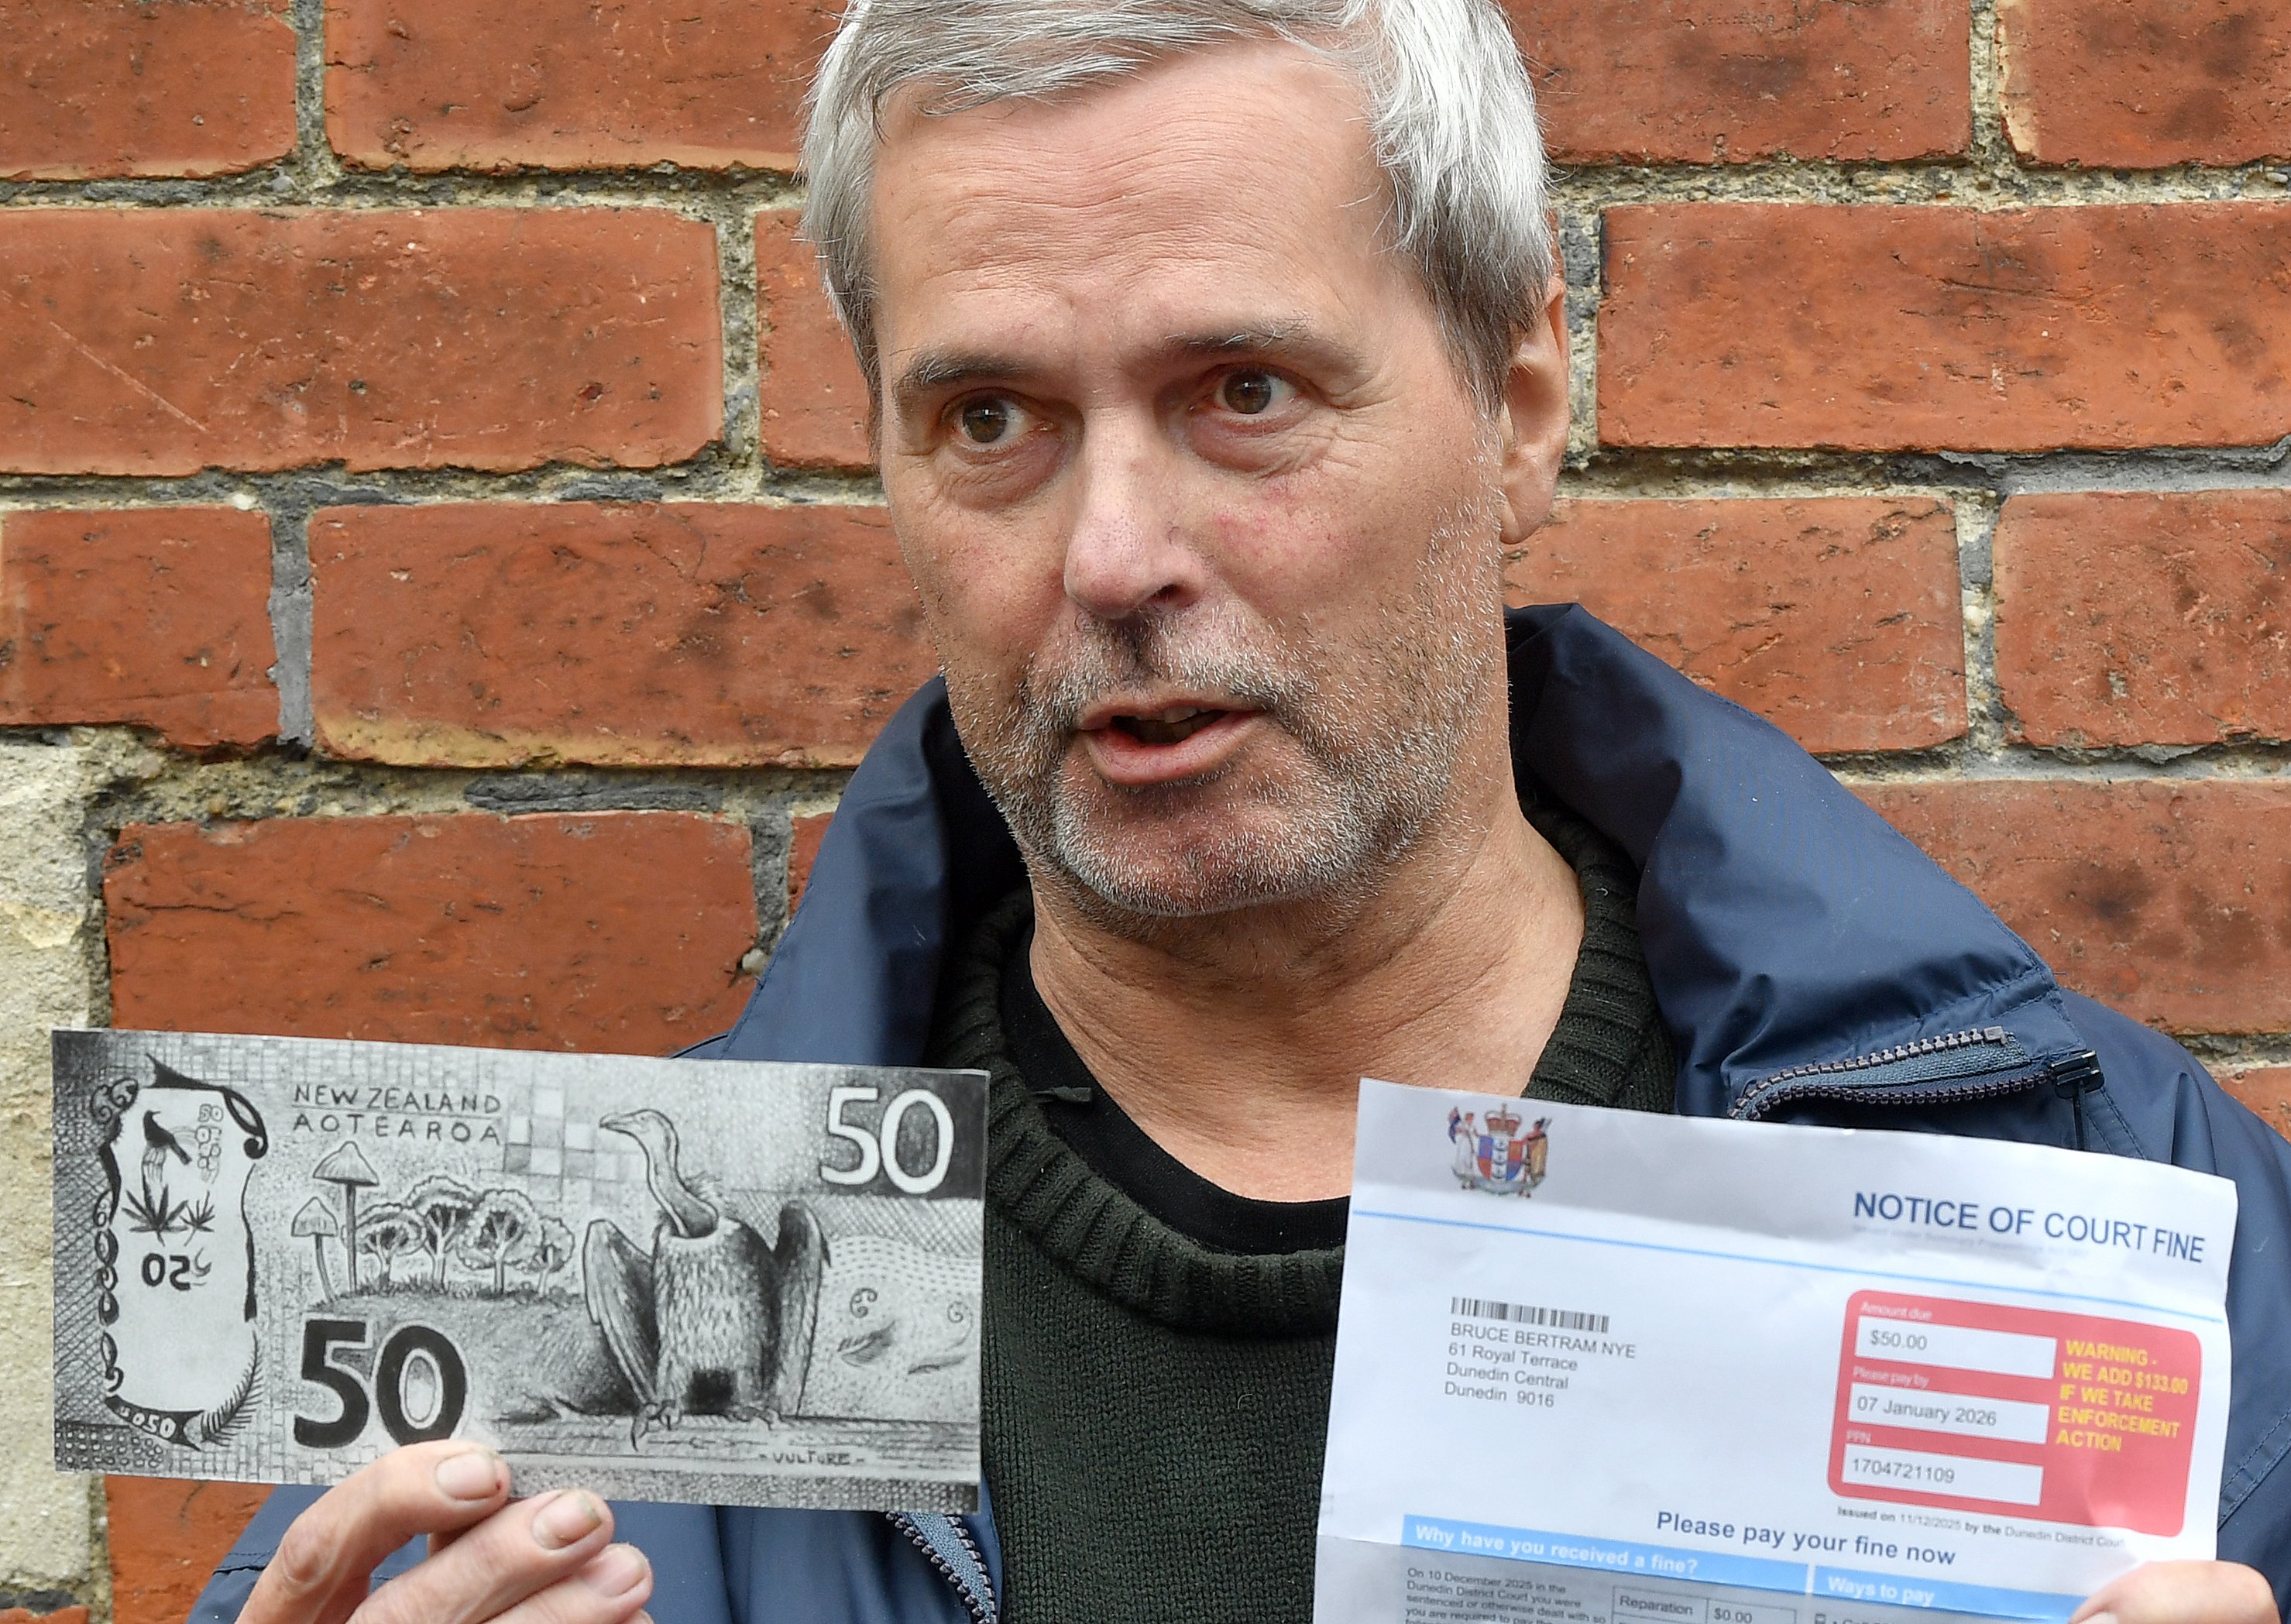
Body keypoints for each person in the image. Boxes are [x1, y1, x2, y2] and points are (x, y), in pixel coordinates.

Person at [191, 2, 2290, 1621]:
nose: (1115, 555)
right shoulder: (560, 1373)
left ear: (1519, 405)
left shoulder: (2132, 1217)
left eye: (1245, 394)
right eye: (992, 417)